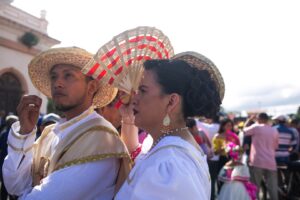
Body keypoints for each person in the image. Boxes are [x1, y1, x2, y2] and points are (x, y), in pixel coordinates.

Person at [2, 47, 130, 200]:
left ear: (91, 87)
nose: (58, 83)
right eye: (54, 77)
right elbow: (15, 185)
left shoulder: (101, 137)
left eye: (68, 76)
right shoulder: (50, 133)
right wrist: (25, 132)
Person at [114, 51, 225, 199]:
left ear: (171, 101)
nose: (134, 98)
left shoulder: (171, 165)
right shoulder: (166, 144)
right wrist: (128, 118)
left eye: (142, 90)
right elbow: (135, 154)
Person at [244, 113, 279, 200]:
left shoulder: (256, 127)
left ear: (259, 119)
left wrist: (249, 120)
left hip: (257, 161)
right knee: (273, 187)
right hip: (271, 162)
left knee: (255, 187)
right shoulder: (274, 130)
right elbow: (275, 147)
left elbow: (244, 130)